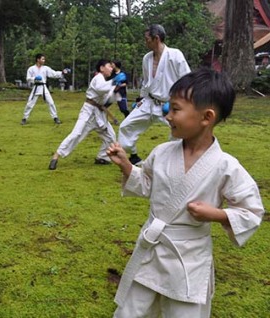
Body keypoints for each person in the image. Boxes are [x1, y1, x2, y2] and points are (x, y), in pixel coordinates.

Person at [107, 68, 265, 317]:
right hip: (152, 250)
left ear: (206, 117)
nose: (167, 116)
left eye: (176, 109)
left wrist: (216, 214)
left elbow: (251, 211)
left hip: (188, 259)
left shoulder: (226, 166)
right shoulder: (162, 152)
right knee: (130, 311)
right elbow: (147, 183)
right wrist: (127, 166)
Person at [118, 24, 191, 165]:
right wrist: (141, 98)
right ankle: (133, 156)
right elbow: (146, 81)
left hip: (168, 105)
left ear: (156, 38)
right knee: (126, 126)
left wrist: (182, 102)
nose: (145, 42)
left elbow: (187, 80)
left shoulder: (175, 55)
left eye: (147, 39)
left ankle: (174, 163)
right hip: (149, 102)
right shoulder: (147, 58)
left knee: (179, 135)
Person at [48, 59, 117, 170]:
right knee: (76, 134)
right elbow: (101, 89)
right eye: (109, 66)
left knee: (111, 137)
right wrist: (115, 82)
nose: (111, 68)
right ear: (101, 68)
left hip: (99, 115)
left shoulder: (104, 80)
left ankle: (102, 157)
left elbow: (108, 97)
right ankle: (56, 156)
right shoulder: (98, 78)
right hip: (88, 113)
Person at [21, 53, 67, 125]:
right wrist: (35, 78)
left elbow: (53, 74)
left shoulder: (46, 68)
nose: (44, 60)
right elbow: (28, 78)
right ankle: (24, 118)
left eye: (44, 59)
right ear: (38, 59)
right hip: (36, 87)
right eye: (42, 59)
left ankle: (55, 117)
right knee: (30, 104)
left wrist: (62, 73)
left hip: (43, 87)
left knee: (51, 103)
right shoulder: (31, 69)